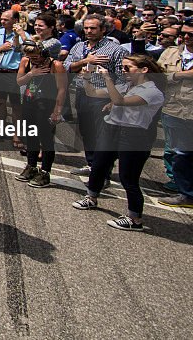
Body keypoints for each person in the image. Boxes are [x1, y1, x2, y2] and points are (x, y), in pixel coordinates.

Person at [71, 55, 165, 231]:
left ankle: (134, 218)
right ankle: (91, 197)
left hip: (135, 135)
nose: (123, 71)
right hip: (112, 129)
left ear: (144, 70)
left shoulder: (152, 91)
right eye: (122, 68)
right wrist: (87, 77)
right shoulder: (127, 86)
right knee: (99, 165)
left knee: (128, 177)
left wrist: (107, 78)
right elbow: (93, 93)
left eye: (127, 68)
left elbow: (119, 101)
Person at [64, 14, 127, 174]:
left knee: (103, 135)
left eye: (93, 28)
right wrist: (85, 61)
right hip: (81, 93)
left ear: (103, 29)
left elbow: (123, 78)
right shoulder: (78, 47)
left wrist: (115, 100)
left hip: (103, 96)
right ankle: (92, 164)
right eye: (86, 28)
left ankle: (103, 172)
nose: (89, 31)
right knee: (86, 131)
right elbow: (67, 67)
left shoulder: (116, 50)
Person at [15, 39, 67, 187]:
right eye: (31, 57)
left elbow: (62, 89)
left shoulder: (56, 66)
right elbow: (19, 81)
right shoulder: (26, 62)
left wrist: (57, 111)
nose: (33, 60)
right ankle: (31, 166)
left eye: (36, 57)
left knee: (46, 140)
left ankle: (45, 172)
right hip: (29, 102)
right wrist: (32, 73)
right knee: (31, 136)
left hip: (47, 106)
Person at [157, 20, 193, 207]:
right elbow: (157, 75)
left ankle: (187, 192)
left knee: (185, 153)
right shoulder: (171, 53)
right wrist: (180, 75)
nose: (186, 37)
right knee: (175, 152)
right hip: (173, 109)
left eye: (191, 34)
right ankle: (183, 190)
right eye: (184, 33)